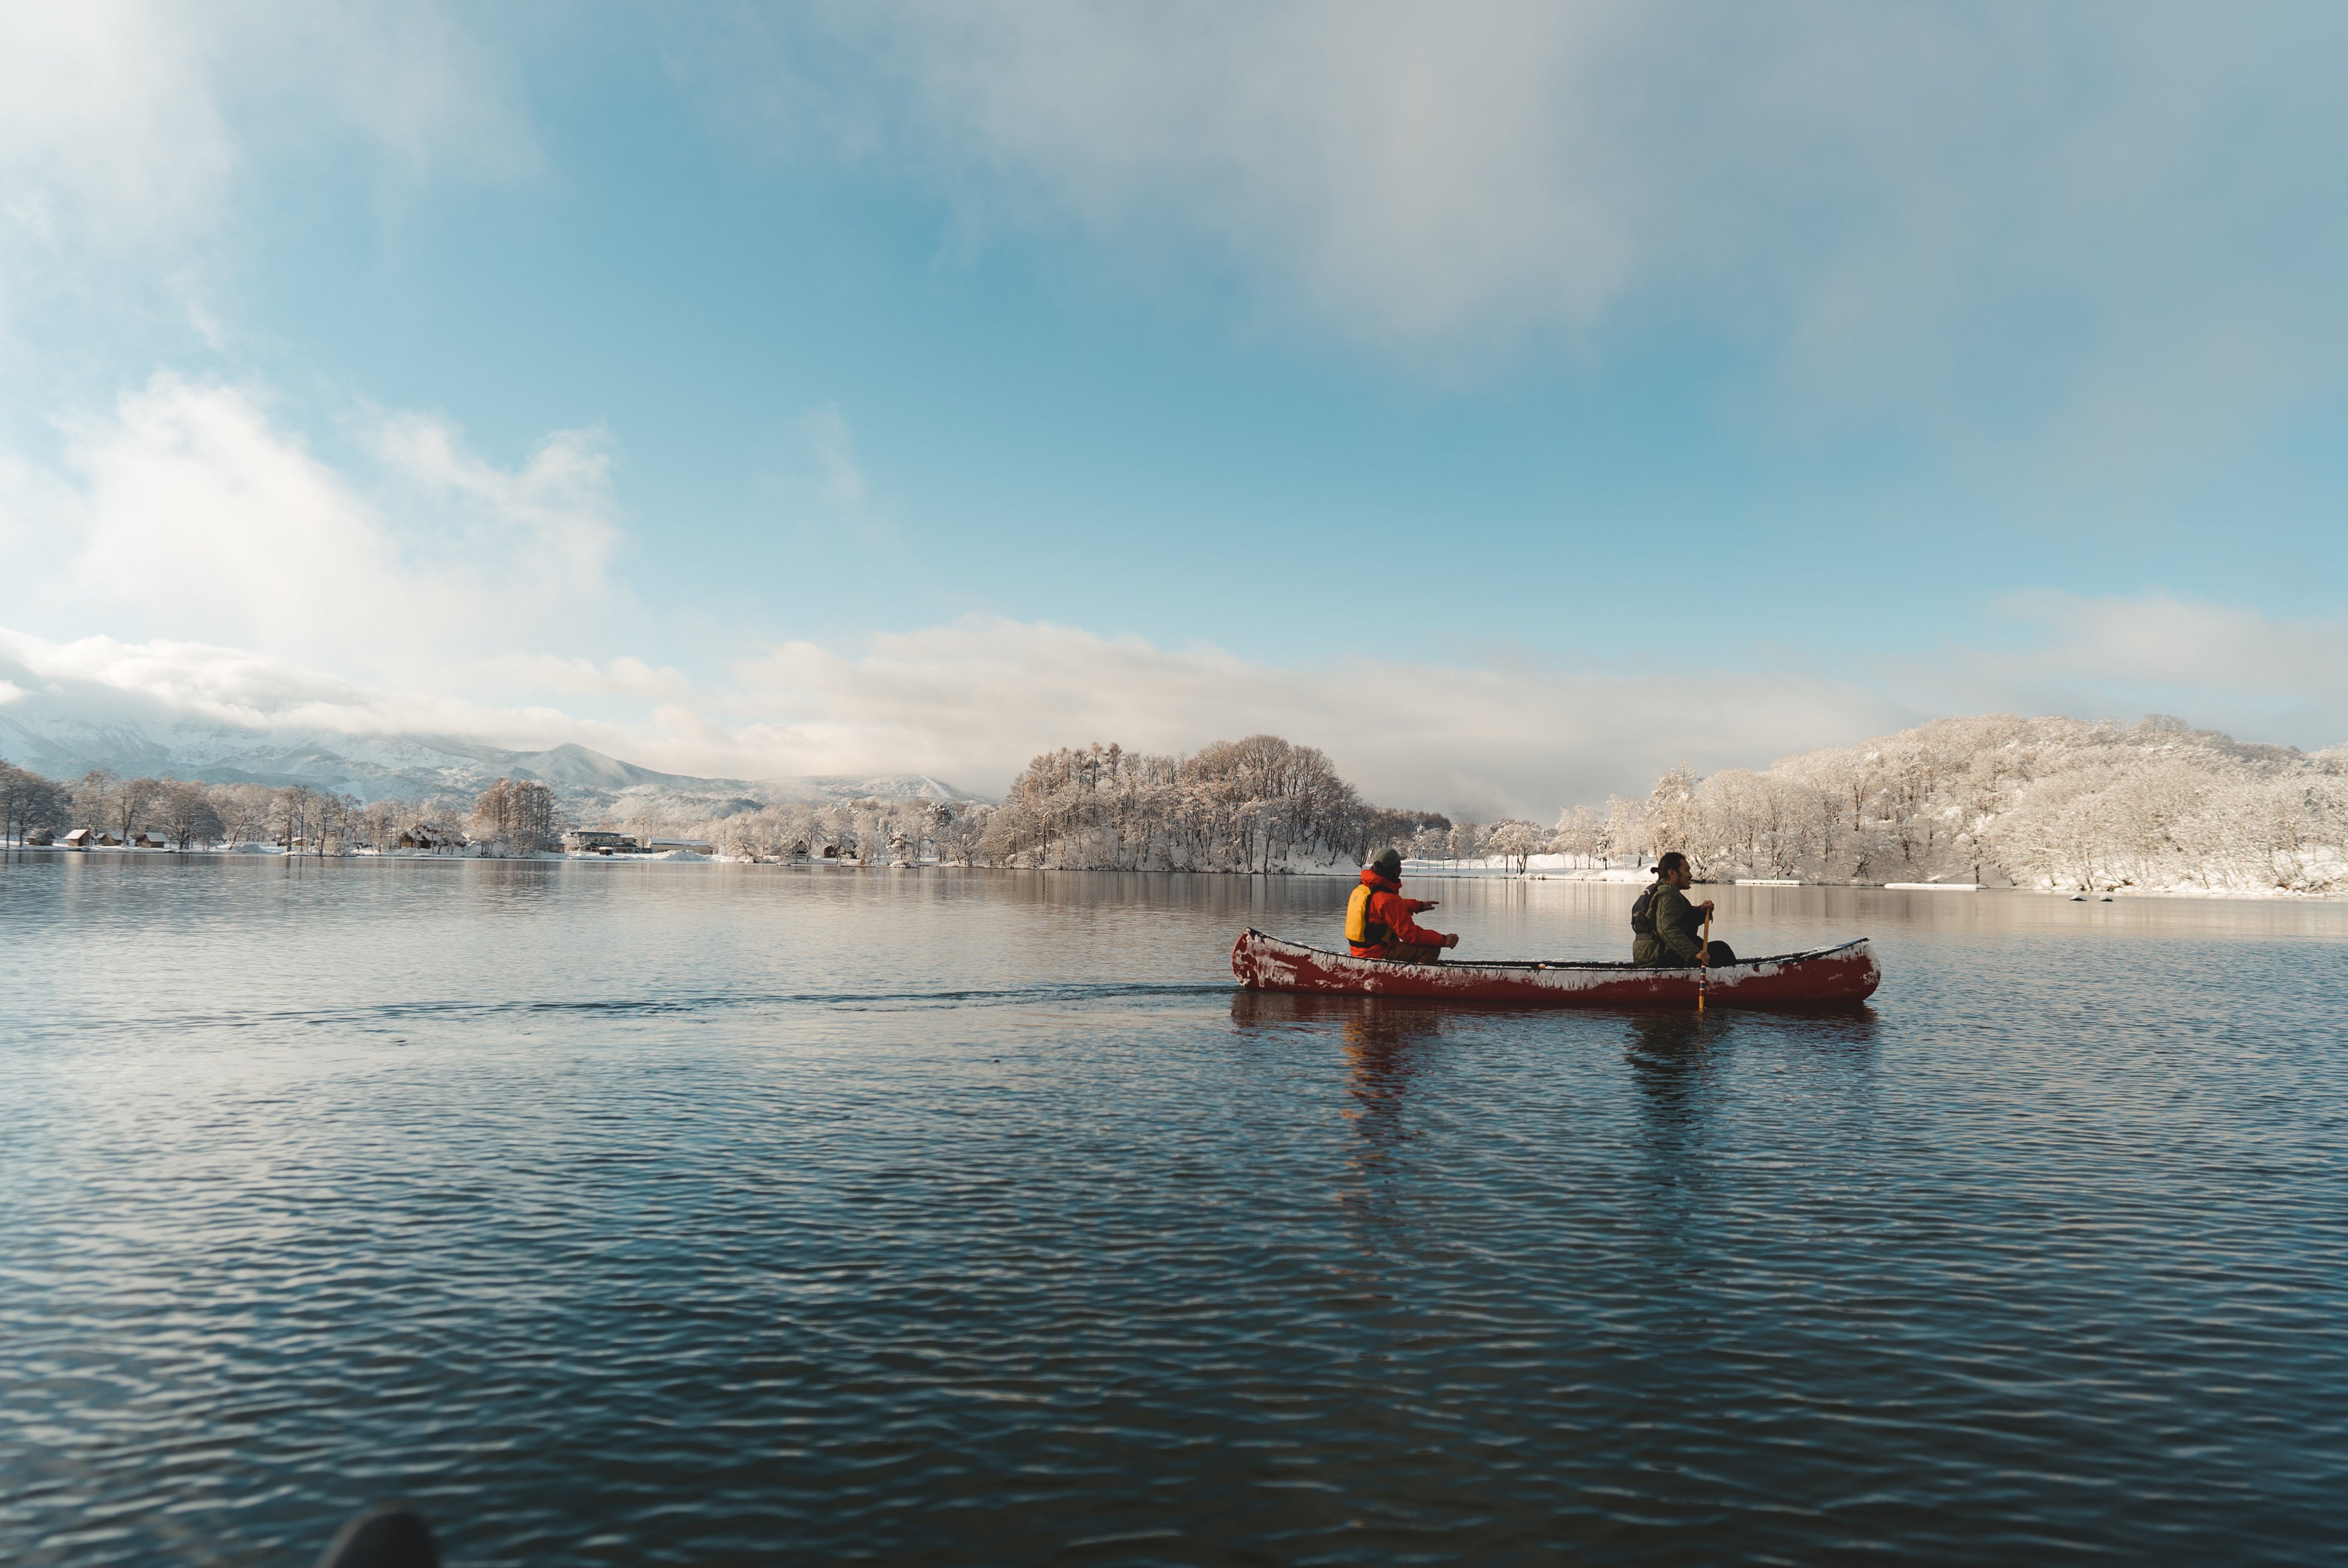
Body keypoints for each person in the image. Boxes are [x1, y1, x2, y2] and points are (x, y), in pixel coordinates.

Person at [1347, 848, 1459, 963]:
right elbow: (1410, 934)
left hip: (1359, 951)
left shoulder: (1362, 889)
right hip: (1377, 954)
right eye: (1399, 866)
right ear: (1396, 870)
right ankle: (1415, 978)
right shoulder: (1388, 899)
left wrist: (1418, 905)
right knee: (1431, 948)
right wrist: (1443, 939)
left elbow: (1383, 907)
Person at [1631, 852, 1736, 968]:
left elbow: (1680, 918)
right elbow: (1667, 930)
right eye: (1687, 870)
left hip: (1650, 953)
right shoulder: (1668, 895)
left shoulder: (1662, 891)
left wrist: (1700, 911)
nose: (1690, 875)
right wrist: (1694, 953)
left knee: (1703, 945)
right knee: (1721, 950)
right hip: (1658, 957)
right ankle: (1732, 982)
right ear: (1672, 873)